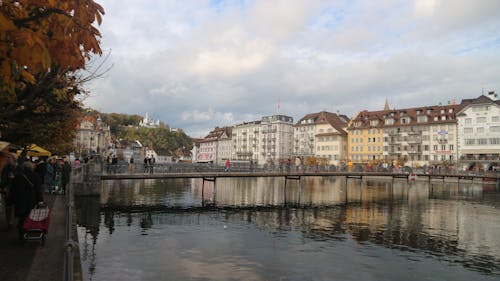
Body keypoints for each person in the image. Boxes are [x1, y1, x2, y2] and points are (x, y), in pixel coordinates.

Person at [11, 161, 43, 239]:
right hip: (31, 200)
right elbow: (38, 189)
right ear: (31, 167)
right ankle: (28, 233)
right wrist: (40, 200)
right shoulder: (35, 176)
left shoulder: (17, 176)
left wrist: (12, 200)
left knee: (22, 217)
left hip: (20, 200)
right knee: (29, 217)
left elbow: (13, 189)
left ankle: (21, 234)